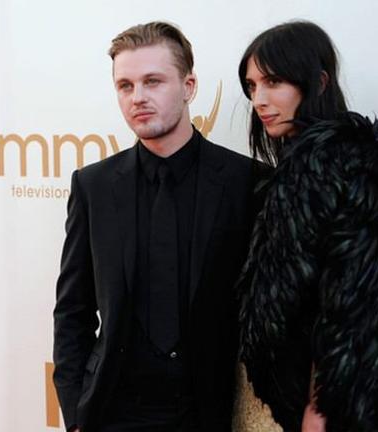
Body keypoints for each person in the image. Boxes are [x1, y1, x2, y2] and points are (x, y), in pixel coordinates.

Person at [53, 21, 266, 432]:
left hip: (210, 413)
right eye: (125, 85)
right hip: (112, 413)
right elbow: (73, 310)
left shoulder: (248, 183)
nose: (138, 97)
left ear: (189, 86)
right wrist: (76, 415)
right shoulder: (93, 186)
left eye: (153, 81)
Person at [233, 21, 378, 432]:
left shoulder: (337, 162)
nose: (259, 99)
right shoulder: (303, 168)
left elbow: (354, 300)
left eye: (273, 82)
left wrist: (321, 409)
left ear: (318, 82)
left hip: (331, 413)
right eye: (252, 86)